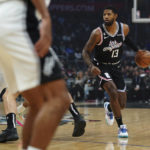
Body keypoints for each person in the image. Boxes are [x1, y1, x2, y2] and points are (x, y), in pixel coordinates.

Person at [0, 0, 71, 150]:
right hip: (18, 21)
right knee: (58, 99)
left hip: (7, 22)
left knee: (37, 103)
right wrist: (46, 18)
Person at [82, 6, 142, 138]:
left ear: (115, 16)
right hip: (101, 66)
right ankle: (121, 127)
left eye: (109, 14)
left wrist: (138, 50)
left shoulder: (124, 28)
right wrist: (91, 66)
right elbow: (85, 51)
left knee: (122, 105)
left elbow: (126, 40)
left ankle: (109, 107)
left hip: (116, 67)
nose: (106, 17)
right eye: (104, 15)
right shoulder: (97, 33)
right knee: (112, 92)